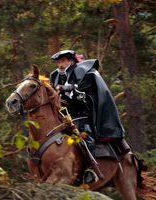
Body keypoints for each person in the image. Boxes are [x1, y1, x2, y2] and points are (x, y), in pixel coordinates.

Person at [49, 50, 130, 183]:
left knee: (85, 135)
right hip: (64, 115)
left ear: (70, 60)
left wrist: (69, 89)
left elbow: (83, 96)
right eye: (58, 62)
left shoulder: (84, 72)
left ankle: (90, 169)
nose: (60, 65)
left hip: (83, 114)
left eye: (63, 61)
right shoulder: (55, 76)